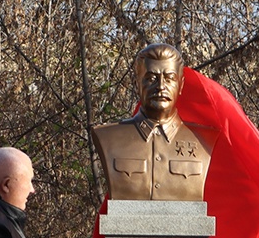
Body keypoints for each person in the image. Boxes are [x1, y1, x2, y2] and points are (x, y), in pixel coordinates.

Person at [91, 42, 219, 201]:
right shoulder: (109, 137)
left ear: (181, 85)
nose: (160, 86)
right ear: (137, 83)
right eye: (151, 78)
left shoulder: (204, 140)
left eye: (169, 78)